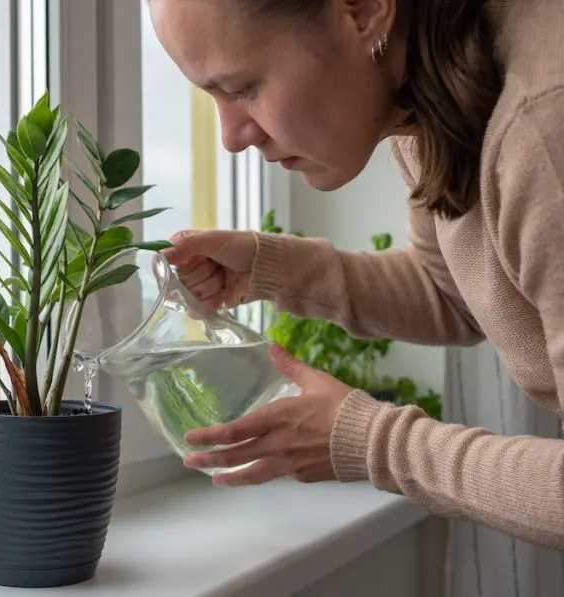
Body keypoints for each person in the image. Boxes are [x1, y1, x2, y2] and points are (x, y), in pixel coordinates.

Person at [151, 0, 564, 550]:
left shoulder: (542, 130)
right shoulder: (426, 86)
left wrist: (374, 442)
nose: (230, 136)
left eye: (243, 87)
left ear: (364, 9)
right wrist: (268, 266)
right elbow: (458, 293)